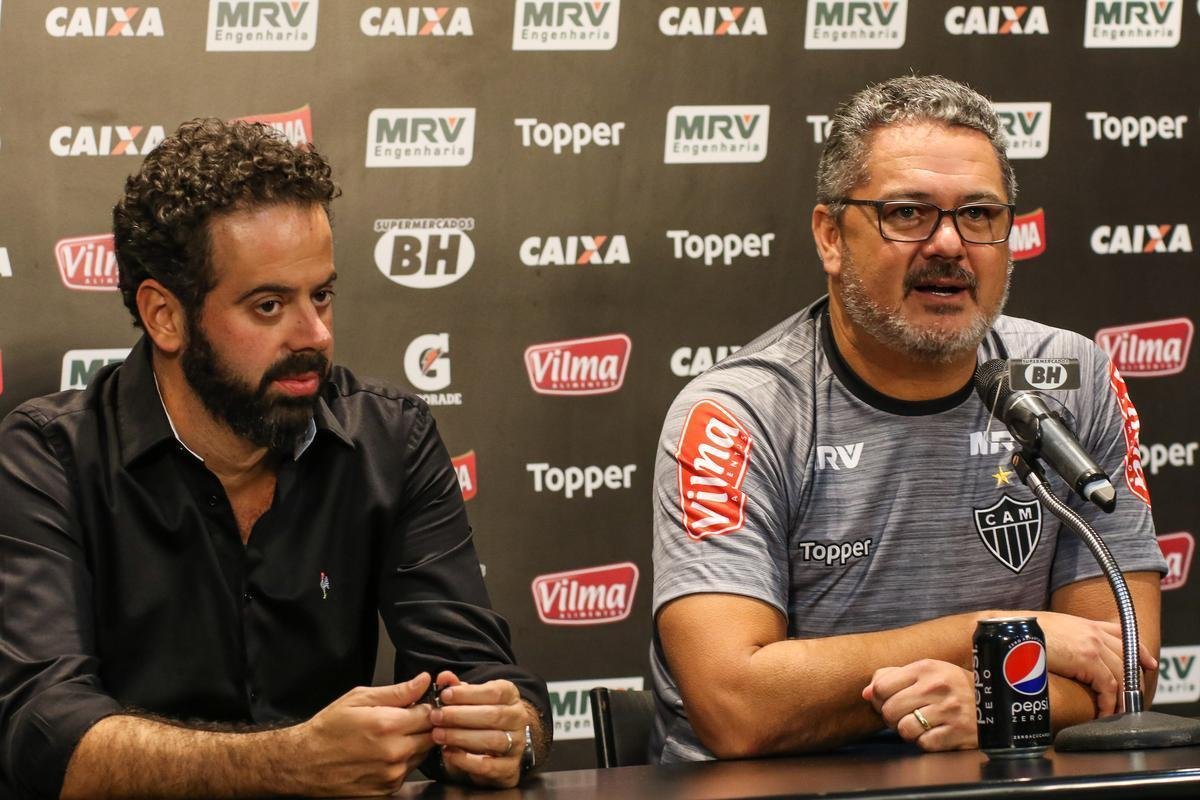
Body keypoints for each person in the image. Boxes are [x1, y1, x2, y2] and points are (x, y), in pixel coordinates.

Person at [0, 119, 549, 798]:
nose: (315, 335)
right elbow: (43, 733)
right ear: (164, 316)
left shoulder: (389, 438)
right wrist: (286, 763)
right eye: (268, 305)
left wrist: (507, 731)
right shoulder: (50, 456)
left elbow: (481, 673)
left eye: (321, 295)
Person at [650, 75, 1167, 763]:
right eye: (908, 213)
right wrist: (991, 636)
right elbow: (734, 707)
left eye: (980, 214)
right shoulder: (738, 413)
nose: (950, 244)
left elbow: (1123, 671)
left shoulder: (1070, 379)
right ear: (831, 236)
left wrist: (991, 705)